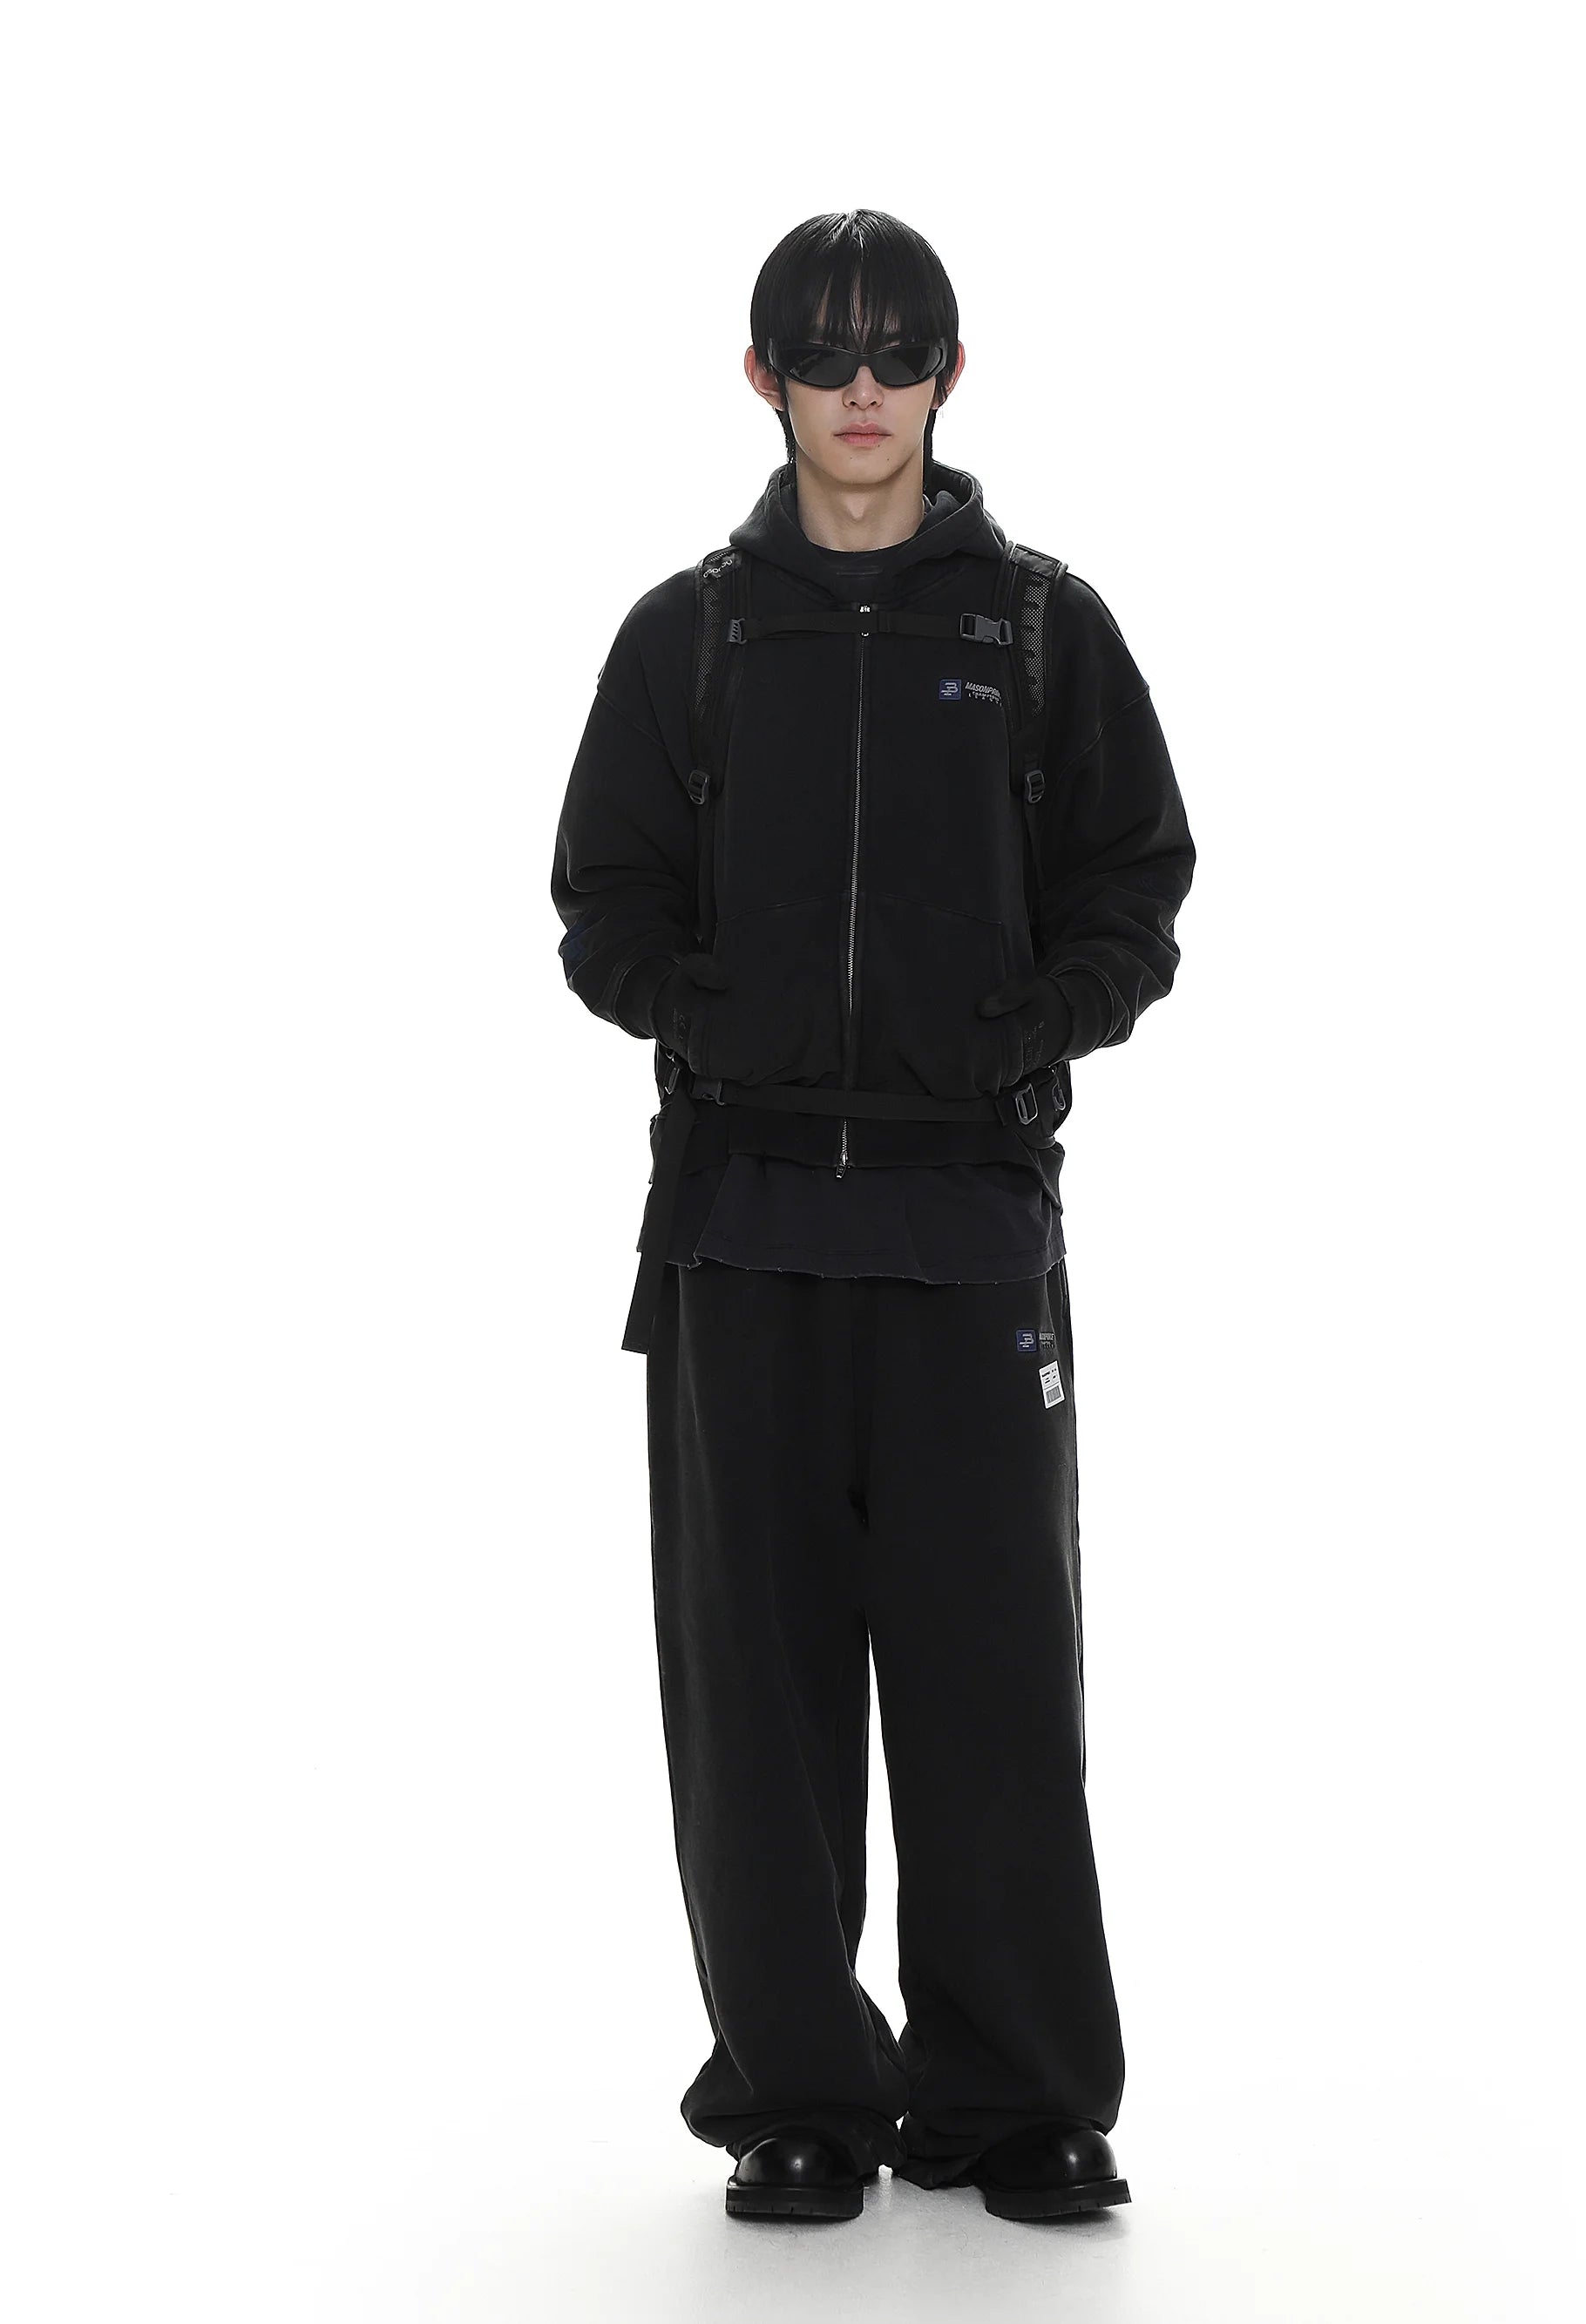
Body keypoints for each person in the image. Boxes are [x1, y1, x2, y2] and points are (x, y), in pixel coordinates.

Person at [550, 209, 1195, 2223]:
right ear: (761, 378)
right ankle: (797, 2090)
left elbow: (1135, 884)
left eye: (893, 349)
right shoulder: (688, 637)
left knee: (993, 1669)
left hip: (969, 1228)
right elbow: (601, 900)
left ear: (946, 373)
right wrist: (700, 1005)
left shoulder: (1037, 631)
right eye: (820, 352)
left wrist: (1041, 1016)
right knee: (756, 1691)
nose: (858, 386)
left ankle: (1016, 2096)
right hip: (739, 1229)